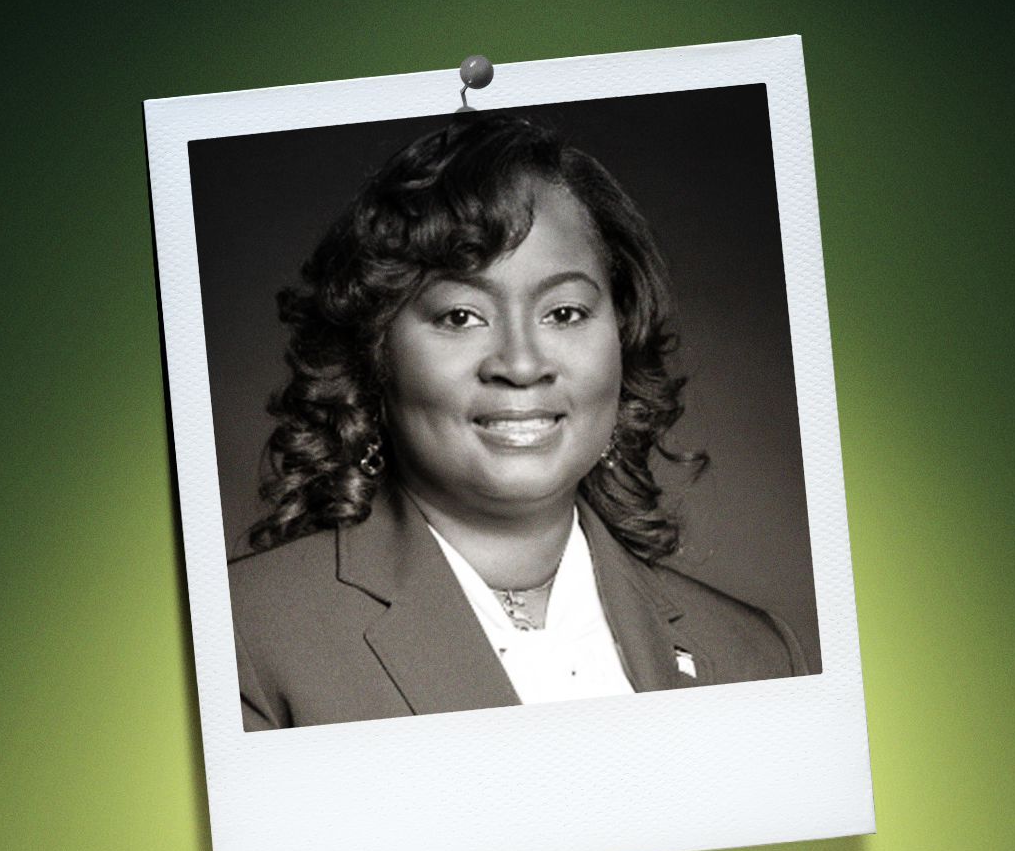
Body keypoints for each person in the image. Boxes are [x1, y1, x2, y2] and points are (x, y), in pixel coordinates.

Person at [228, 111, 815, 731]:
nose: (521, 364)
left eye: (563, 313)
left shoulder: (755, 655)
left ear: (622, 339)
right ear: (375, 355)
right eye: (461, 316)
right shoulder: (245, 637)